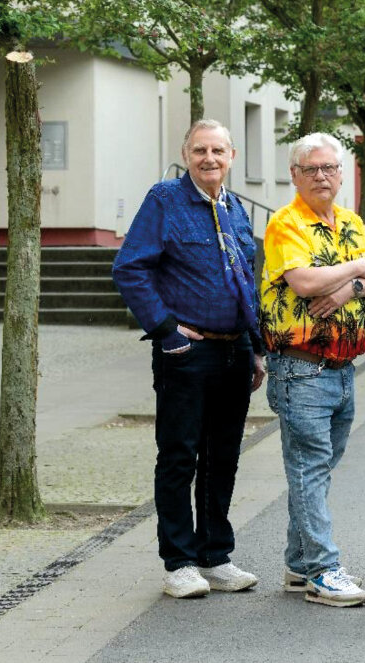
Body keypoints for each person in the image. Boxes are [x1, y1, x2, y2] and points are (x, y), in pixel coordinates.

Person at [113, 119, 263, 598]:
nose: (209, 158)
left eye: (218, 150)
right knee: (179, 456)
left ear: (232, 157)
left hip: (234, 351)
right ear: (186, 154)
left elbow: (246, 280)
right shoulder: (164, 199)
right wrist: (164, 330)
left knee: (224, 458)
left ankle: (215, 555)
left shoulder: (235, 206)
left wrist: (256, 347)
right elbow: (130, 267)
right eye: (200, 150)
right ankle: (179, 562)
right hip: (186, 351)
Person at [260, 133, 365, 607]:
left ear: (341, 173)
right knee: (309, 467)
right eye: (311, 168)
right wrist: (359, 268)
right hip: (301, 368)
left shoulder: (352, 222)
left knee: (316, 469)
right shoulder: (286, 223)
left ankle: (298, 564)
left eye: (329, 168)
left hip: (342, 368)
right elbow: (303, 280)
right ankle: (322, 569)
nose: (322, 176)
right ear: (295, 174)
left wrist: (347, 289)